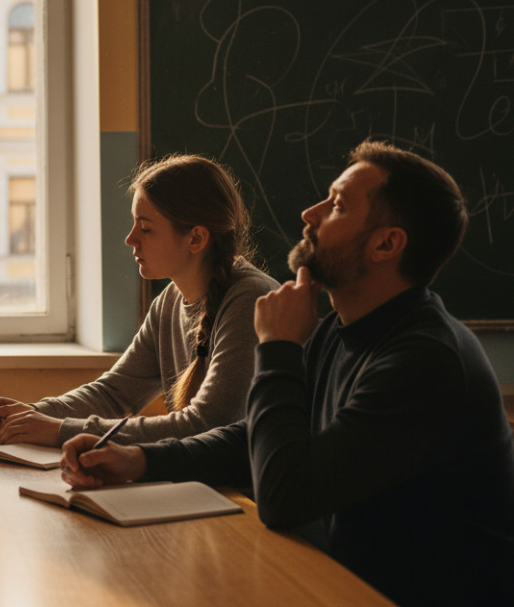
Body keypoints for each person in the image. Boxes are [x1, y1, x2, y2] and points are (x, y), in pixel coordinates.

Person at [60, 141, 514, 607]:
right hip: (342, 581)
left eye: (336, 205)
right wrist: (138, 459)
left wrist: (279, 347)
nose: (309, 214)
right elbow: (250, 437)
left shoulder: (424, 361)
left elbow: (284, 498)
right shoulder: (344, 328)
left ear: (386, 244)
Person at [0, 154, 278, 447]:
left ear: (196, 239)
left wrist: (60, 430)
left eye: (146, 228)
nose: (130, 238)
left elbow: (205, 425)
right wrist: (33, 414)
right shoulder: (169, 302)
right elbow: (113, 393)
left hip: (244, 492)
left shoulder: (251, 301)